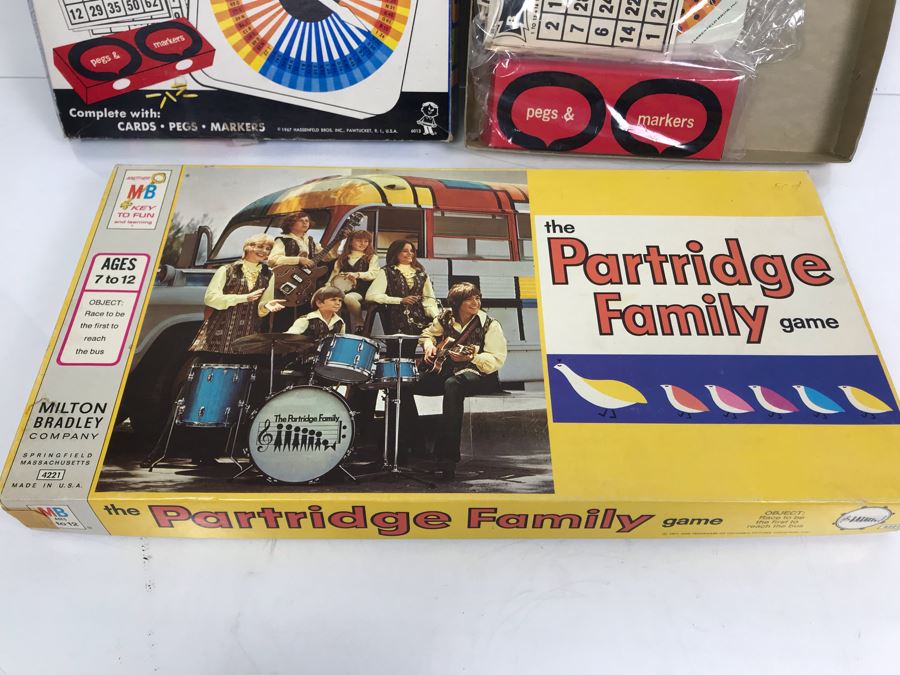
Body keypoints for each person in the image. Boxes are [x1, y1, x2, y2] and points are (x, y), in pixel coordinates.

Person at [413, 282, 508, 479]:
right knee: (406, 384)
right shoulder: (446, 317)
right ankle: (415, 448)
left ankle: (448, 460)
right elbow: (427, 334)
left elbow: (496, 360)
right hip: (448, 370)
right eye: (470, 299)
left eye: (477, 298)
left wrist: (471, 358)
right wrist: (429, 345)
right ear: (457, 303)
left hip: (481, 375)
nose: (476, 302)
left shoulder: (490, 324)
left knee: (452, 385)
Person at [188, 233, 274, 356]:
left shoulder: (269, 274)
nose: (264, 251)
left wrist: (267, 307)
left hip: (248, 336)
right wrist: (244, 298)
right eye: (260, 247)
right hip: (218, 335)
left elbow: (262, 308)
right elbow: (210, 298)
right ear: (248, 247)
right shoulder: (227, 269)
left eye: (268, 249)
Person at [261, 211, 336, 331]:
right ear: (291, 223)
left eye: (307, 221)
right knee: (284, 315)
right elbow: (273, 260)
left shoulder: (311, 241)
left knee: (304, 313)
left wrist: (338, 241)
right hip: (286, 281)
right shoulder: (283, 240)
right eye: (301, 220)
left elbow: (328, 257)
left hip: (305, 285)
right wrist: (299, 259)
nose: (305, 223)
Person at [365, 239, 439, 335]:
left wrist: (437, 317)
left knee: (412, 347)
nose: (410, 253)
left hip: (419, 321)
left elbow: (429, 301)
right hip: (394, 319)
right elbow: (371, 296)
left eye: (412, 251)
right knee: (396, 347)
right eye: (405, 251)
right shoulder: (386, 271)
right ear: (395, 253)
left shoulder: (422, 274)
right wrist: (400, 300)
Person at [328, 230, 379, 333]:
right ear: (350, 242)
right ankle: (335, 325)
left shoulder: (372, 257)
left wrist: (358, 274)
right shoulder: (341, 258)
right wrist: (326, 289)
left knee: (348, 298)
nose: (362, 243)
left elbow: (373, 274)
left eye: (366, 241)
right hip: (340, 289)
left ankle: (359, 321)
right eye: (359, 240)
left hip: (361, 289)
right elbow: (332, 277)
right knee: (329, 299)